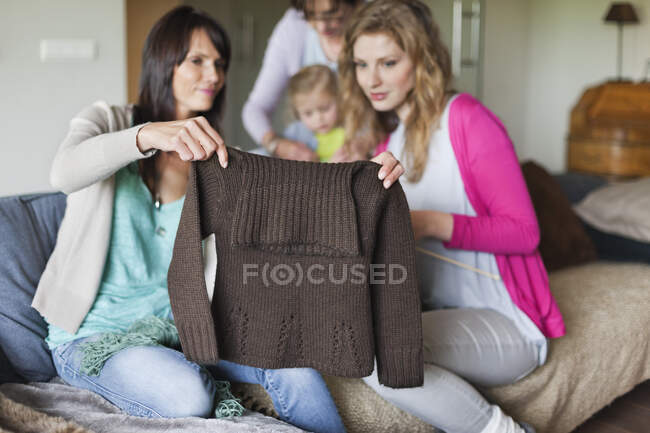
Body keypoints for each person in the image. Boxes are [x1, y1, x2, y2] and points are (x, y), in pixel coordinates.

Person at [31, 6, 404, 432]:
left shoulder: (217, 160)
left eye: (220, 64)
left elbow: (299, 197)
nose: (214, 75)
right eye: (198, 61)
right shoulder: (108, 121)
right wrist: (150, 134)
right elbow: (64, 172)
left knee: (296, 370)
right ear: (163, 62)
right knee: (187, 394)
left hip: (186, 328)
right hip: (96, 337)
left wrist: (361, 178)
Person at [338, 1, 566, 432]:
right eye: (361, 64)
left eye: (388, 62)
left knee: (381, 353)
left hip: (506, 320)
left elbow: (525, 232)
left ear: (421, 60)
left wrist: (425, 223)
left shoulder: (465, 118)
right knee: (356, 341)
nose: (372, 79)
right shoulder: (390, 138)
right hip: (435, 308)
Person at [242, 0, 364, 161]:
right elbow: (255, 108)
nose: (321, 27)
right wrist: (277, 145)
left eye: (332, 15)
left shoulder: (372, 22)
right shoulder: (294, 26)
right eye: (311, 15)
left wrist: (364, 145)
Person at [286, 65, 344, 162]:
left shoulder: (351, 128)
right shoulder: (295, 136)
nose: (318, 118)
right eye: (308, 113)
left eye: (325, 108)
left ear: (339, 99)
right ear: (297, 113)